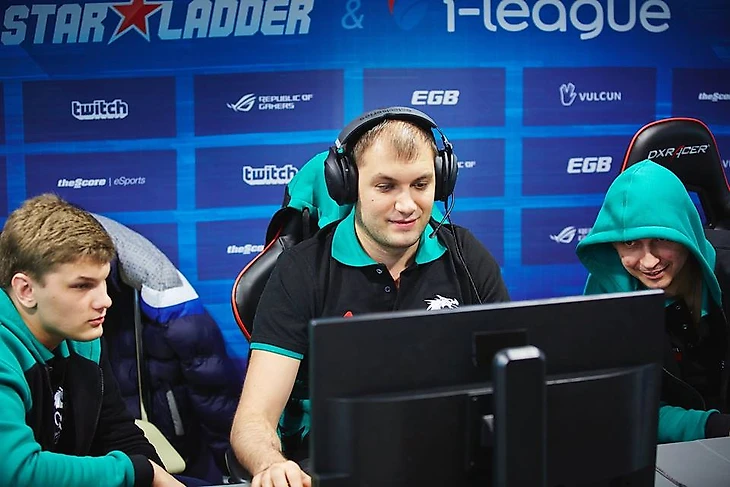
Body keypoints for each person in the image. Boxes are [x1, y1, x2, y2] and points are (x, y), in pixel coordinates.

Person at [230, 107, 510, 487]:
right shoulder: (302, 270)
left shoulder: (466, 257)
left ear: (441, 181)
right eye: (385, 186)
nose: (407, 205)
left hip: (449, 456)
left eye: (421, 184)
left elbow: (512, 386)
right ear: (348, 185)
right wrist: (272, 464)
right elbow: (253, 421)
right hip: (337, 462)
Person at [0, 194, 185, 487]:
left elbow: (118, 433)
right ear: (26, 290)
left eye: (103, 282)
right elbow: (16, 472)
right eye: (82, 286)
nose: (105, 301)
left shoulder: (83, 339)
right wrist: (137, 472)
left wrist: (154, 477)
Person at [576, 159, 730, 443]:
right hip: (670, 452)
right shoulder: (606, 297)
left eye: (661, 238)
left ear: (685, 231)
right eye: (630, 243)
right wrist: (711, 427)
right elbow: (620, 405)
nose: (648, 261)